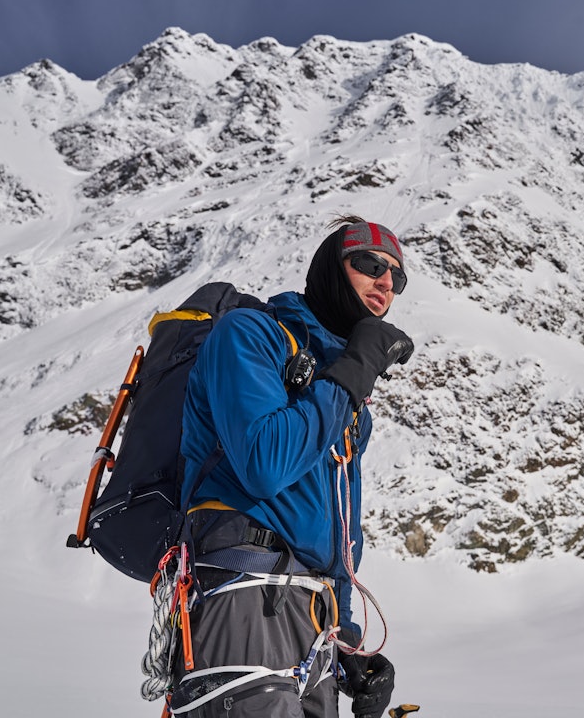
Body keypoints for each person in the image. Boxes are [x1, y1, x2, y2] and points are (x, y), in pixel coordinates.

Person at [170, 216, 414, 718]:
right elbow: (263, 462)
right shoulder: (250, 336)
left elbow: (341, 533)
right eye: (370, 265)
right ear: (330, 270)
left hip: (313, 618)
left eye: (396, 276)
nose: (386, 281)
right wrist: (354, 371)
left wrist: (347, 643)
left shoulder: (345, 400)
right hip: (243, 592)